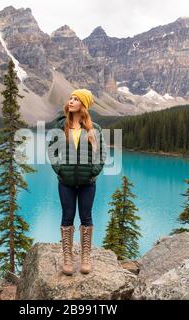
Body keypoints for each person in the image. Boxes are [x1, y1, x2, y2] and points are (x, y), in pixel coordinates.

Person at [47, 89, 107, 276]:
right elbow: (52, 152)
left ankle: (86, 258)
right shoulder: (60, 126)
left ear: (84, 104)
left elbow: (101, 154)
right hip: (66, 182)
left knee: (86, 217)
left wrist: (93, 172)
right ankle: (67, 259)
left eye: (76, 99)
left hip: (87, 182)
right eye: (70, 97)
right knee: (67, 216)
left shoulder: (94, 129)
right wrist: (60, 170)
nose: (71, 101)